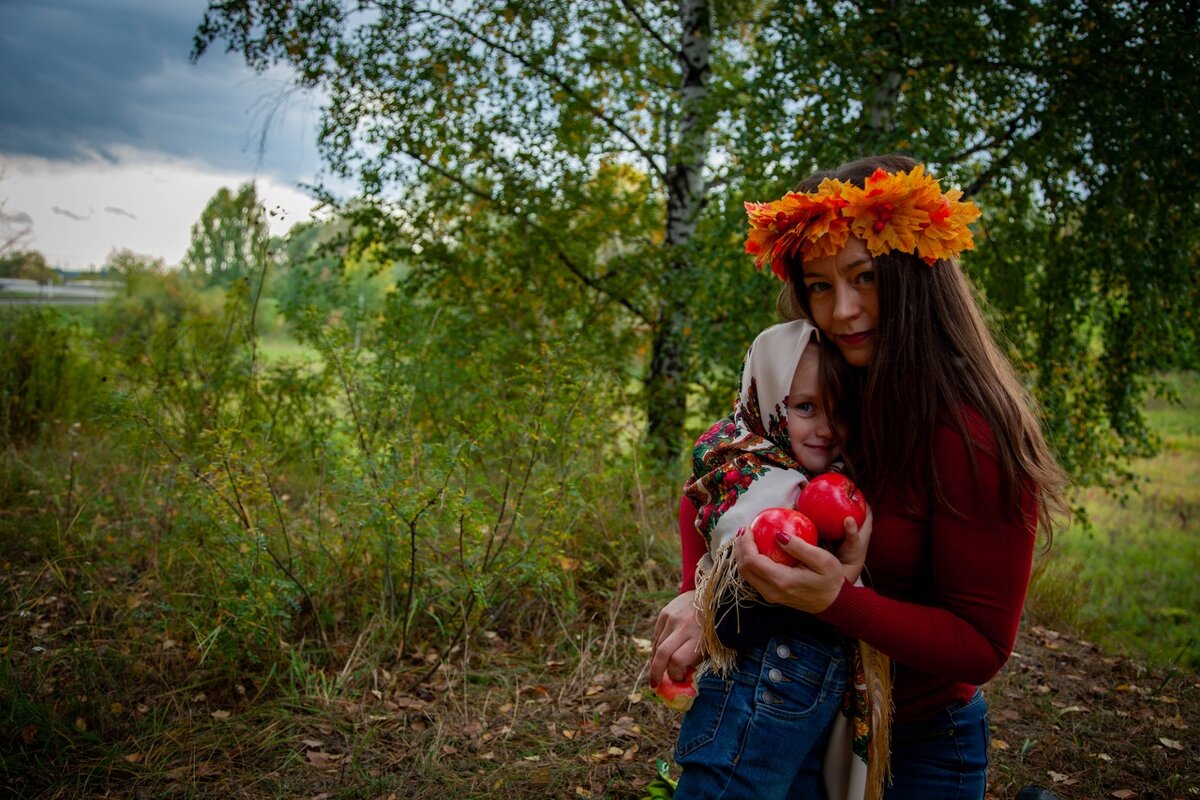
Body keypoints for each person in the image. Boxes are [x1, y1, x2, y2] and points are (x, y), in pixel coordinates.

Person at [650, 154, 1069, 800]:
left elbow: (983, 646)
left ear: (916, 275)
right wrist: (692, 594)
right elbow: (719, 476)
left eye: (864, 277)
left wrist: (836, 602)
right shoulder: (829, 386)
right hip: (800, 715)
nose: (842, 310)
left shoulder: (972, 434)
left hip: (922, 742)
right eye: (819, 285)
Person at [663, 318, 885, 799]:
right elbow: (739, 615)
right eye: (804, 407)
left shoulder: (838, 481)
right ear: (763, 398)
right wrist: (843, 572)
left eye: (841, 411)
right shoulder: (749, 477)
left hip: (808, 696)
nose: (826, 429)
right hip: (758, 687)